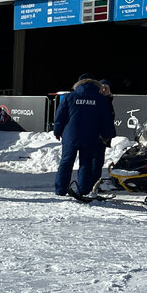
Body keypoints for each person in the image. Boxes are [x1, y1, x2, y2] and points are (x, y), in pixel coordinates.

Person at [53, 72, 114, 200]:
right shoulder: (101, 99)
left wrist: (57, 131)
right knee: (85, 163)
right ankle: (83, 189)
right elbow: (106, 119)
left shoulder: (70, 97)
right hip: (91, 136)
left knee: (66, 162)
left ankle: (60, 189)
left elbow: (60, 116)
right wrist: (107, 135)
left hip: (70, 136)